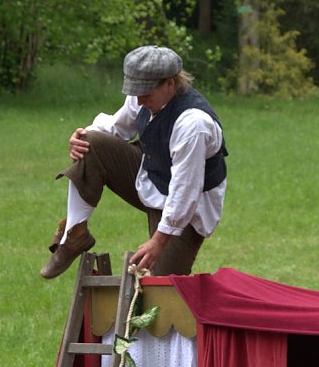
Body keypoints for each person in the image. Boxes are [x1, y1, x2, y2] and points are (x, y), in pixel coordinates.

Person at [40, 45, 228, 278]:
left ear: (169, 83)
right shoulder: (143, 97)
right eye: (136, 93)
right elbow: (117, 127)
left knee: (160, 290)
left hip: (189, 207)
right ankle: (74, 235)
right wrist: (80, 137)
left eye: (146, 94)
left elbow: (185, 191)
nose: (139, 101)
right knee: (91, 142)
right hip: (152, 175)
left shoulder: (193, 125)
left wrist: (159, 241)